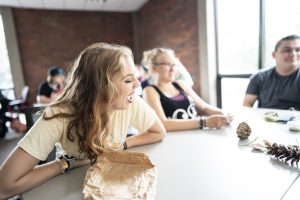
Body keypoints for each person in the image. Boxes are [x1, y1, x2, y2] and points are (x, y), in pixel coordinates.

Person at [0, 43, 166, 199]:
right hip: (68, 188)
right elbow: (4, 187)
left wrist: (119, 145)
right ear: (100, 86)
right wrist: (67, 164)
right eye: (128, 80)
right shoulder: (59, 115)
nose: (137, 85)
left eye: (135, 78)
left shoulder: (130, 101)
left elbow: (158, 132)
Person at [142, 48, 232, 131]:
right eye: (167, 64)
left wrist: (222, 113)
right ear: (154, 67)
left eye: (174, 64)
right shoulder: (150, 91)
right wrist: (204, 122)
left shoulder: (181, 85)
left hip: (194, 135)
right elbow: (163, 124)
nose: (173, 69)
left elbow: (205, 107)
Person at [243, 35, 300, 110]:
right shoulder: (259, 77)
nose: (293, 54)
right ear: (274, 55)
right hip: (265, 120)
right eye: (287, 50)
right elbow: (247, 104)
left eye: (298, 50)